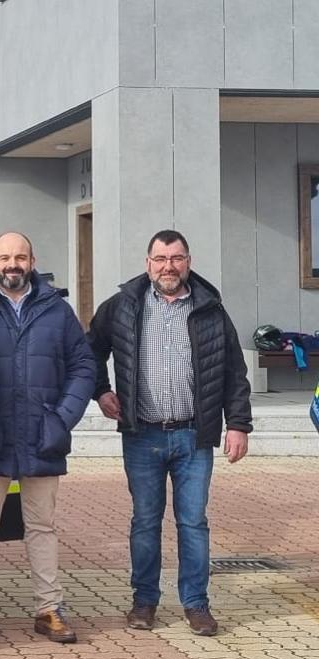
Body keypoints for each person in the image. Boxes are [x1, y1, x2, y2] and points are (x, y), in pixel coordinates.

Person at [87, 229, 252, 636]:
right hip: (142, 434)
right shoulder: (124, 306)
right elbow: (90, 350)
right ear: (147, 263)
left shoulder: (210, 309)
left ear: (188, 261)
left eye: (176, 258)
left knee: (193, 522)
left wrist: (239, 425)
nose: (168, 267)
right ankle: (144, 602)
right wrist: (102, 392)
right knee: (145, 521)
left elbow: (234, 371)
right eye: (160, 259)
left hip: (194, 437)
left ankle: (196, 604)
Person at [0, 232, 95, 644]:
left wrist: (62, 418)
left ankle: (48, 609)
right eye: (5, 257)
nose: (13, 264)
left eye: (20, 257)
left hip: (42, 434)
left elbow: (83, 366)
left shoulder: (57, 309)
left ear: (32, 260)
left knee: (42, 525)